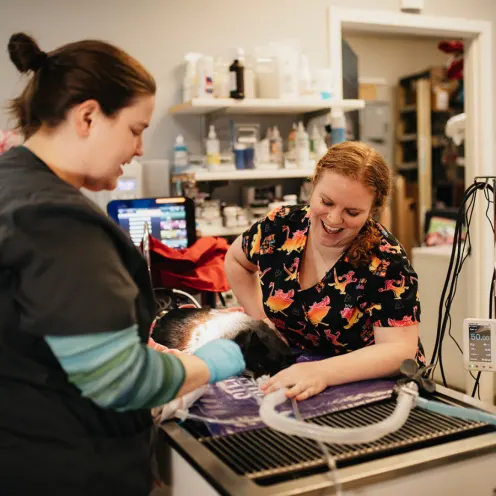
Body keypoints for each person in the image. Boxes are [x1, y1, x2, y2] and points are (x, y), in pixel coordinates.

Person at [0, 33, 245, 496]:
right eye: (135, 129)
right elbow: (120, 381)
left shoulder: (13, 183)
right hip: (65, 468)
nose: (138, 148)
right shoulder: (56, 220)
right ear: (88, 116)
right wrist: (207, 365)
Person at [225, 141, 424, 402]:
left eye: (352, 212)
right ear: (313, 184)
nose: (333, 219)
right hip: (301, 370)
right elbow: (236, 260)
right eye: (326, 202)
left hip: (374, 386)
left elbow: (399, 351)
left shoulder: (386, 260)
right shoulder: (281, 228)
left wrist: (322, 372)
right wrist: (263, 321)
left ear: (373, 210)